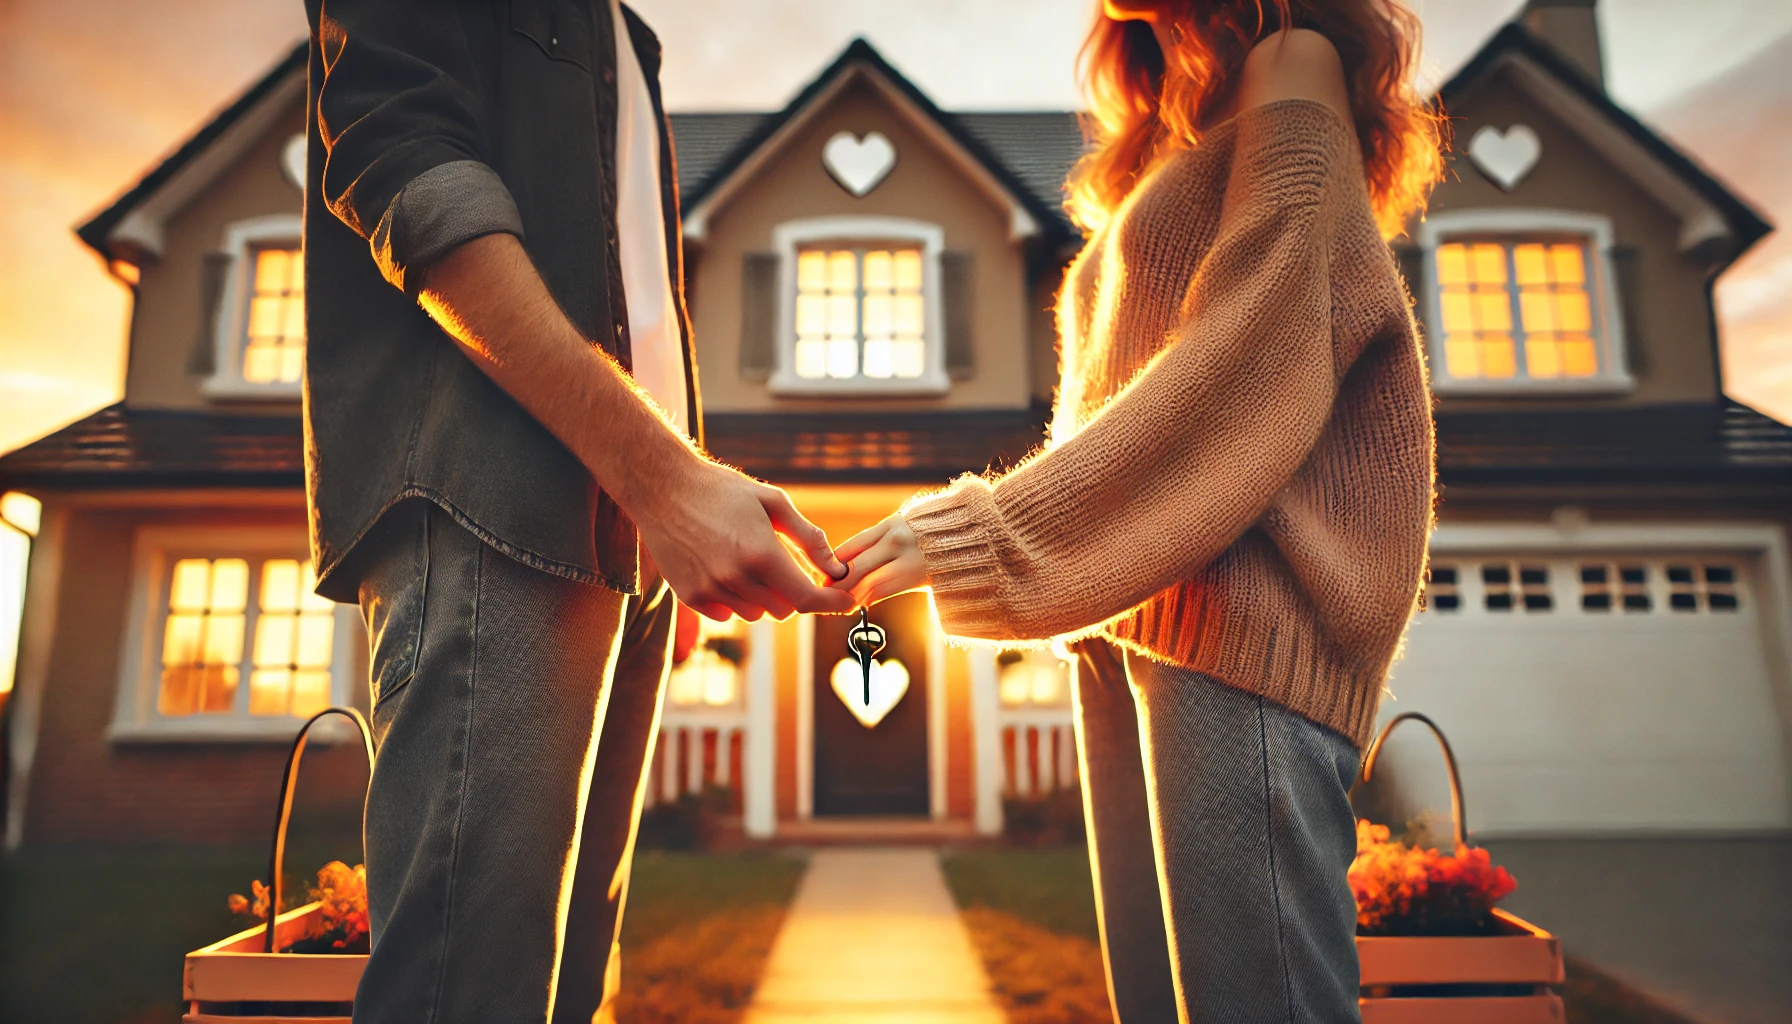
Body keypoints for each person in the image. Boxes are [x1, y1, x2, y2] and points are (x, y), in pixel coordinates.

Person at [832, 1, 1444, 1019]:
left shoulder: (1294, 64)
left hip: (1248, 623)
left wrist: (987, 531)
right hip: (1135, 620)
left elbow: (1265, 340)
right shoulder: (1178, 130)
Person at [300, 2, 852, 1022]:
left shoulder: (625, 38)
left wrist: (673, 505)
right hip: (495, 507)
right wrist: (664, 482)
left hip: (626, 541)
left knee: (563, 992)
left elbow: (634, 289)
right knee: (469, 990)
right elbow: (404, 163)